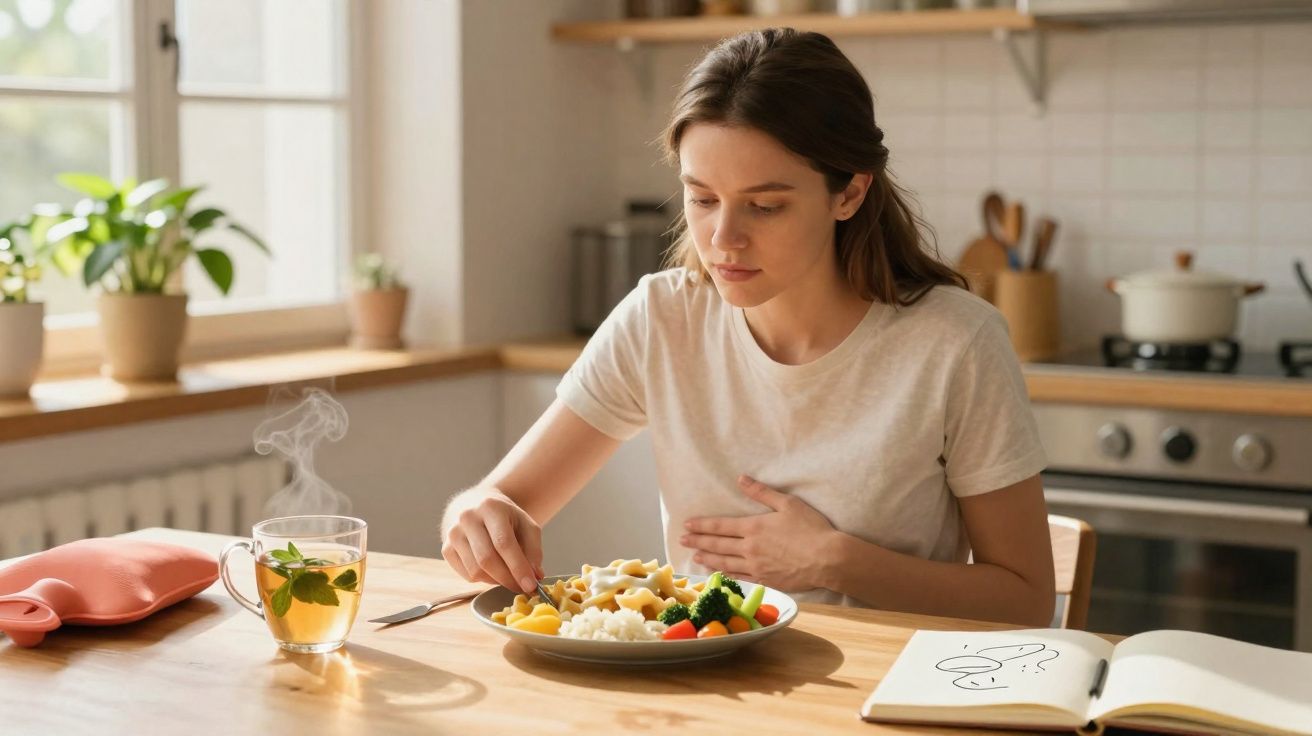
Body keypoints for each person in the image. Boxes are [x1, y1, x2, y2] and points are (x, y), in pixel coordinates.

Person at [441, 28, 1055, 626]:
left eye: (765, 206)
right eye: (702, 198)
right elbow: (506, 500)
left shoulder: (956, 342)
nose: (723, 240)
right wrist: (477, 514)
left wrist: (835, 561)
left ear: (850, 194)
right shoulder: (662, 318)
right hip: (703, 692)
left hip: (887, 700)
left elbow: (1025, 599)